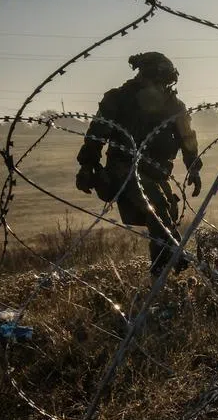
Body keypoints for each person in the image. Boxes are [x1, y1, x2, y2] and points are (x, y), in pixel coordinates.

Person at [75, 52, 202, 276]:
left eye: (164, 82)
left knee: (167, 215)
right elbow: (97, 133)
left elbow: (187, 137)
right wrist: (87, 165)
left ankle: (165, 271)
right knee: (158, 210)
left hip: (158, 170)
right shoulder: (118, 99)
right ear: (144, 75)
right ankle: (167, 265)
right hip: (124, 167)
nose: (160, 87)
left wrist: (194, 166)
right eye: (157, 80)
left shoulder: (174, 106)